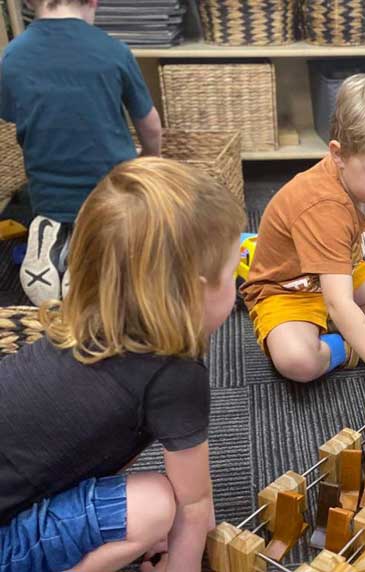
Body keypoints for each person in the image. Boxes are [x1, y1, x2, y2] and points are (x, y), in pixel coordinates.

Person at [0, 157, 245, 571]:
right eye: (233, 267)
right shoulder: (174, 376)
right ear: (195, 293)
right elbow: (195, 503)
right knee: (157, 505)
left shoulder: (85, 322)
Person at [241, 73, 365, 417]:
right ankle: (347, 344)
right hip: (287, 290)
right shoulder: (323, 206)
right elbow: (340, 302)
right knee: (298, 361)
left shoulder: (361, 183)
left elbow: (359, 227)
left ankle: (346, 332)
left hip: (340, 273)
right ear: (338, 154)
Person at [0, 0, 162, 305]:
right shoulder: (113, 51)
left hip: (47, 193)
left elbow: (14, 117)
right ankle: (87, 262)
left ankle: (51, 236)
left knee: (56, 210)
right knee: (122, 226)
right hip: (111, 190)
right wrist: (150, 159)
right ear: (93, 1)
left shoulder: (12, 57)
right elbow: (150, 125)